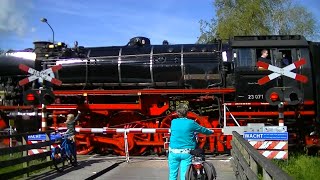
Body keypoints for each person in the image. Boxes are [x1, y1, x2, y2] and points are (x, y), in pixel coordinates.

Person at [168, 103, 213, 180]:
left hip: (173, 152)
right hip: (186, 152)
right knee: (184, 175)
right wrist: (211, 132)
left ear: (177, 112)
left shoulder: (173, 122)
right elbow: (203, 130)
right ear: (187, 112)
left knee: (172, 174)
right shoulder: (191, 123)